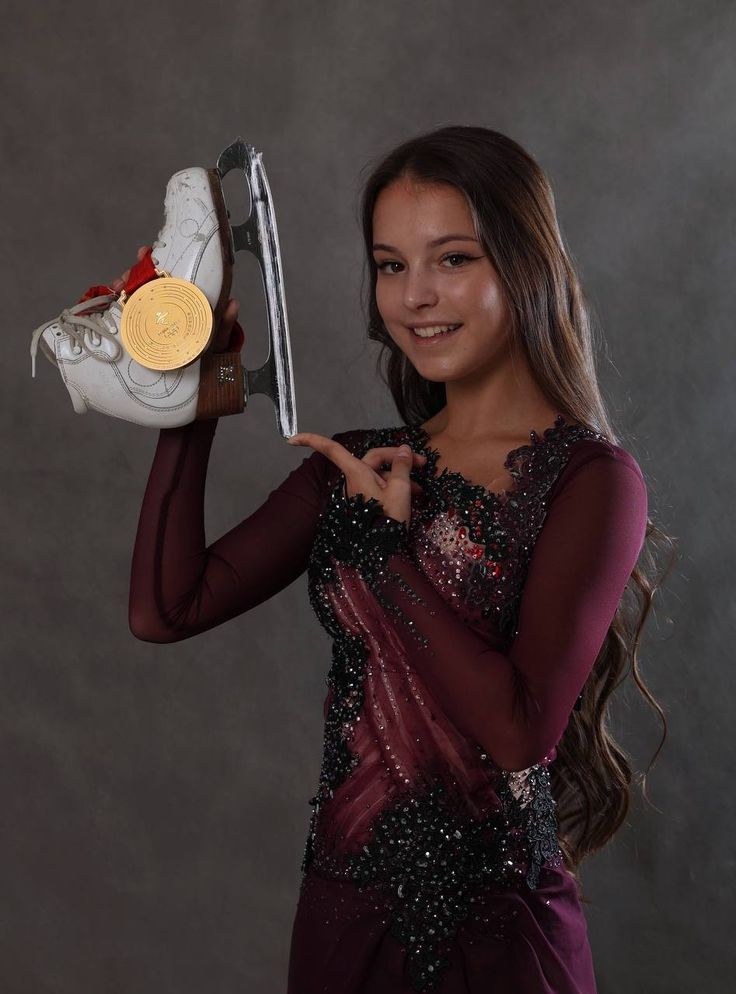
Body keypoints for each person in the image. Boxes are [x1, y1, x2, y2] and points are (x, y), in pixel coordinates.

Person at [127, 126, 674, 993]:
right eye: (389, 266)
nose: (416, 297)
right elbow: (166, 609)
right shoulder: (356, 466)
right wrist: (193, 407)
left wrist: (384, 550)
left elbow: (517, 730)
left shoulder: (591, 481)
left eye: (450, 259)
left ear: (523, 264)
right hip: (344, 932)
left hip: (505, 943)